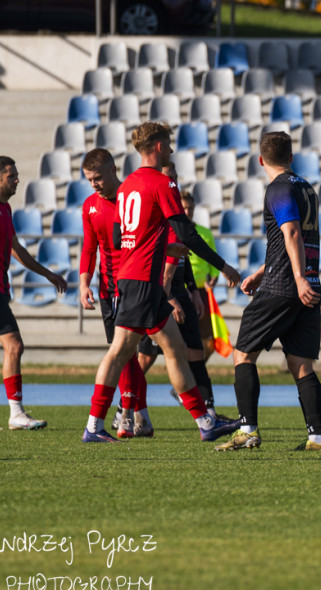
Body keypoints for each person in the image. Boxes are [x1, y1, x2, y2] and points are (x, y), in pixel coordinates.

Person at [82, 121, 242, 443]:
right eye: (168, 145)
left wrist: (157, 246)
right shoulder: (161, 182)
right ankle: (94, 427)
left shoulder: (127, 185)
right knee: (119, 353)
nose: (170, 150)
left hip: (139, 279)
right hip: (141, 281)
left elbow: (118, 236)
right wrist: (223, 266)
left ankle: (205, 423)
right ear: (158, 146)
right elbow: (185, 232)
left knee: (175, 348)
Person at [215, 131, 321, 452]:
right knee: (301, 365)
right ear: (291, 158)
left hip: (286, 285)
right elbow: (294, 241)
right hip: (305, 284)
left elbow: (291, 233)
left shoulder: (276, 189)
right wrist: (260, 273)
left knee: (242, 354)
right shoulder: (306, 188)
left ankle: (248, 430)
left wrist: (296, 278)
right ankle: (317, 439)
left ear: (261, 160)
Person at [0, 156, 67, 431]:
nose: (17, 179)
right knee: (15, 346)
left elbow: (17, 251)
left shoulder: (4, 210)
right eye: (12, 176)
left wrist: (49, 274)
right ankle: (16, 413)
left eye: (17, 175)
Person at [131, 160, 234, 429]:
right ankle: (127, 408)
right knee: (144, 357)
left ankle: (209, 413)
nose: (174, 180)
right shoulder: (158, 214)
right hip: (156, 294)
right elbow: (154, 260)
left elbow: (184, 259)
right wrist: (167, 298)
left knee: (195, 351)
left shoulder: (179, 218)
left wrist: (191, 291)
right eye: (170, 176)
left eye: (176, 176)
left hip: (181, 291)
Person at [78, 148, 152, 438]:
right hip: (108, 290)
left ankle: (127, 415)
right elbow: (89, 248)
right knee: (126, 354)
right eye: (89, 180)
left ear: (113, 169)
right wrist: (84, 283)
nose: (94, 184)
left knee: (125, 353)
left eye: (97, 178)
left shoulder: (131, 199)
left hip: (135, 285)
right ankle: (139, 416)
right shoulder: (89, 206)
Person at [181, 190, 219, 360]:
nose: (187, 212)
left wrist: (214, 277)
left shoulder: (205, 233)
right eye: (184, 209)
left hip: (203, 292)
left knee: (211, 340)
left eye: (189, 208)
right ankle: (186, 377)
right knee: (181, 339)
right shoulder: (175, 233)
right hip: (182, 292)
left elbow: (214, 260)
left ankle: (196, 374)